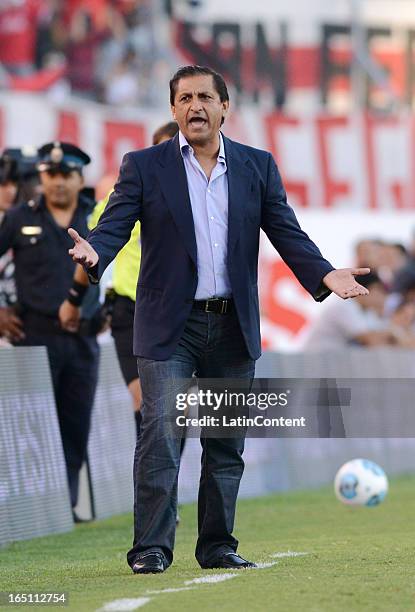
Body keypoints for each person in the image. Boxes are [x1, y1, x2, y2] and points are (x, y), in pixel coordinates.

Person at [68, 65, 370, 573]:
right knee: (161, 434)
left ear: (225, 106)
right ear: (172, 110)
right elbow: (114, 225)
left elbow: (285, 231)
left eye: (205, 97)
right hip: (170, 327)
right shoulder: (144, 165)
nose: (195, 106)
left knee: (225, 443)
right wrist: (95, 252)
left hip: (233, 325)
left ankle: (216, 546)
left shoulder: (257, 165)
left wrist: (324, 275)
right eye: (184, 98)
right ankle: (151, 549)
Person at [0, 141, 101, 522]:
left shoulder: (99, 217)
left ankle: (66, 505)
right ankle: (31, 510)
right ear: (41, 178)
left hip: (83, 338)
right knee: (33, 427)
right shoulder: (19, 217)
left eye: (66, 175)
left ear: (80, 179)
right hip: (34, 336)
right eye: (50, 175)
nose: (58, 183)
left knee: (75, 424)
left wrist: (109, 310)